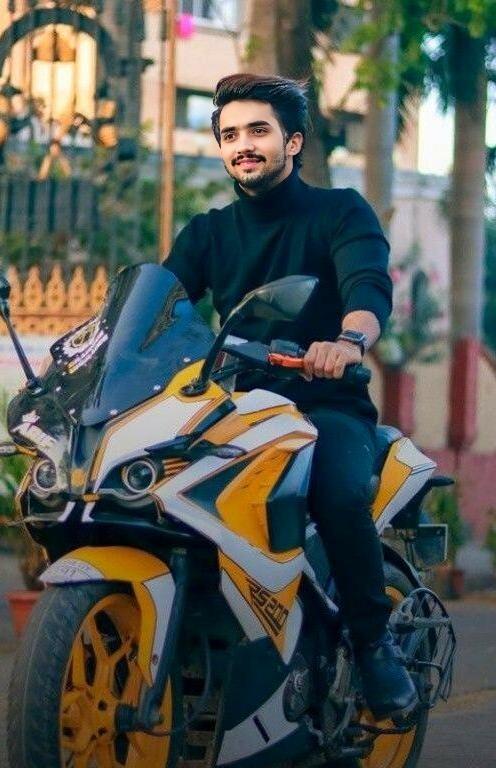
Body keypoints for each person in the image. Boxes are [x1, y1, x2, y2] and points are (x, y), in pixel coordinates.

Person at [163, 73, 418, 722]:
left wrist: (347, 341)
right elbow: (161, 307)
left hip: (323, 404)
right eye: (229, 135)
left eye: (257, 131)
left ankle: (373, 642)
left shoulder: (340, 213)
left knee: (337, 493)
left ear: (293, 142)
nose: (242, 145)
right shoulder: (207, 233)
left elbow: (367, 287)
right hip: (234, 410)